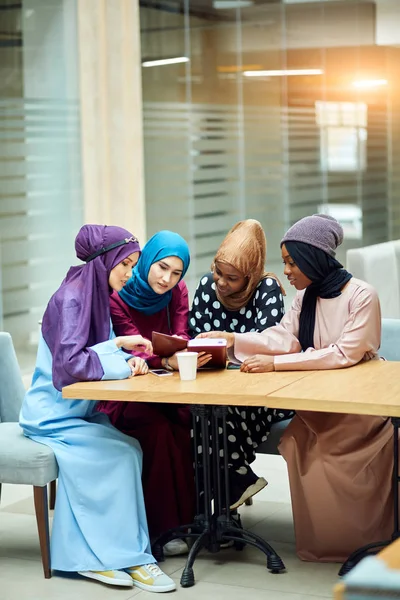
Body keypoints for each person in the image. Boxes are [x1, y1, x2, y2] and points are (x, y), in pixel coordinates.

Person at [198, 214, 393, 562]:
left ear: (313, 258)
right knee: (296, 440)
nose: (286, 271)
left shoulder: (362, 295)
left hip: (358, 403)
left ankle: (363, 540)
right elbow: (284, 338)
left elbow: (343, 354)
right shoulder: (306, 298)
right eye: (285, 262)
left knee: (325, 449)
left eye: (292, 262)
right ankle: (323, 541)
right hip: (319, 401)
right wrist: (233, 340)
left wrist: (275, 364)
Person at [19, 225, 176, 592]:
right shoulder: (74, 299)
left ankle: (105, 555)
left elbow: (88, 350)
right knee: (120, 453)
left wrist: (119, 345)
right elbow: (72, 364)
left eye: (134, 265)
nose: (131, 272)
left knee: (130, 448)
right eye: (126, 264)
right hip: (52, 416)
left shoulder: (89, 291)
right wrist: (122, 364)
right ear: (105, 260)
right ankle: (128, 557)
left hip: (75, 412)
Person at [97, 230, 210, 554]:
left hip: (165, 386)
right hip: (125, 391)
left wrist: (180, 355)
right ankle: (162, 529)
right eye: (161, 267)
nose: (167, 279)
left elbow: (180, 334)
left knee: (186, 418)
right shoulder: (118, 295)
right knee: (158, 429)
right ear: (147, 260)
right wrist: (165, 359)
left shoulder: (178, 292)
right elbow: (132, 342)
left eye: (176, 273)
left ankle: (191, 520)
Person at [189, 219, 293, 509]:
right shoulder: (207, 287)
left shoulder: (267, 289)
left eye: (232, 278)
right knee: (199, 412)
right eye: (218, 272)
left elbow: (269, 344)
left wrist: (232, 340)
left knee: (220, 412)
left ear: (250, 275)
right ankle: (234, 487)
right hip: (212, 385)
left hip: (260, 393)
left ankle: (217, 504)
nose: (221, 282)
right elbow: (195, 335)